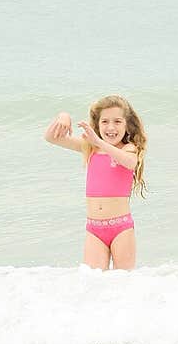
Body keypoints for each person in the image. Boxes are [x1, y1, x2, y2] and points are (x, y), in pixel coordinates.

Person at [44, 95, 147, 269]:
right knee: (93, 281)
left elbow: (129, 162)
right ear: (98, 124)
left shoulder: (128, 149)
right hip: (94, 229)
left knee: (124, 282)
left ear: (127, 125)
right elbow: (51, 138)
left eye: (117, 121)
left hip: (120, 228)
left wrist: (99, 141)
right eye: (105, 121)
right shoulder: (90, 148)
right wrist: (63, 117)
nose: (111, 127)